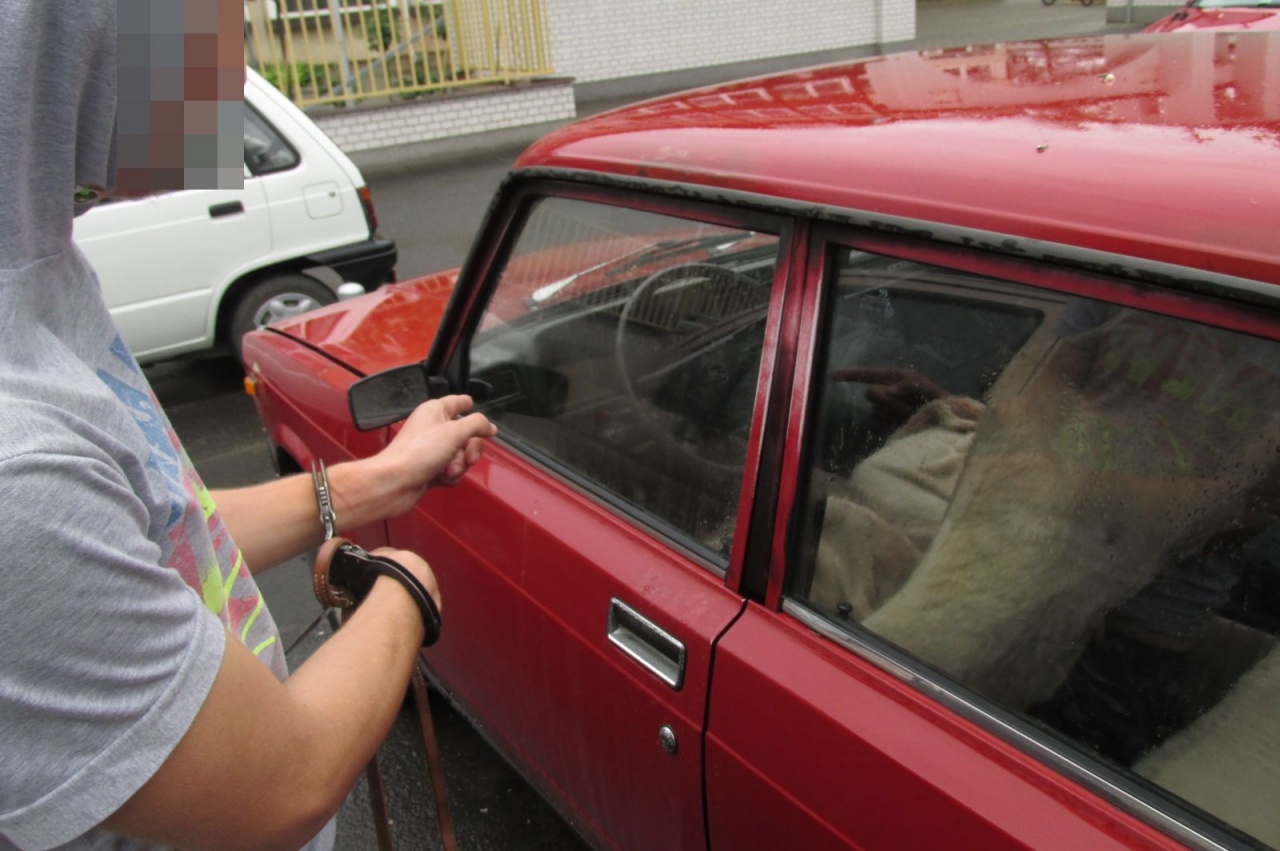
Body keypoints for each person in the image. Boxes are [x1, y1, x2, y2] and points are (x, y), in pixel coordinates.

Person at [0, 2, 497, 849]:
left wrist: (381, 476)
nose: (230, 66)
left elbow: (150, 532)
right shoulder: (18, 467)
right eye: (204, 20)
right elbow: (285, 781)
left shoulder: (39, 273)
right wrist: (406, 586)